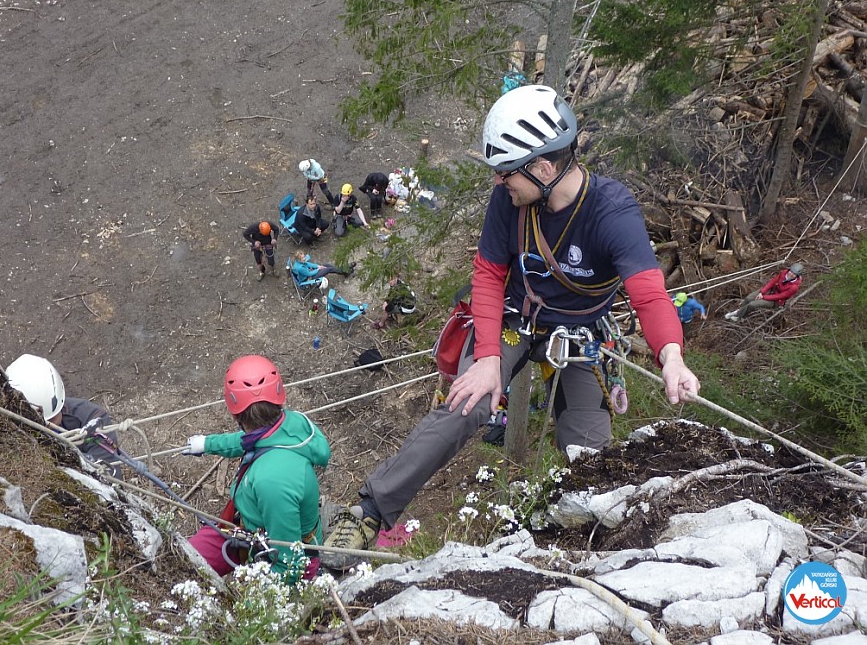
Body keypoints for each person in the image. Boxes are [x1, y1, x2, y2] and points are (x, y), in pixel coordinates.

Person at [321, 84, 700, 569]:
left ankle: (577, 550)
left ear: (544, 168)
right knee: (469, 401)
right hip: (516, 320)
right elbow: (488, 273)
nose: (499, 183)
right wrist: (488, 361)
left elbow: (648, 292)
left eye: (506, 173)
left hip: (580, 334)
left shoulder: (611, 212)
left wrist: (671, 356)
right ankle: (370, 512)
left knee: (590, 452)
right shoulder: (511, 201)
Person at [182, 355, 331, 583]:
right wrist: (208, 443)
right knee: (184, 561)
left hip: (275, 554)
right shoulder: (292, 425)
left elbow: (290, 564)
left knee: (187, 573)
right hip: (247, 528)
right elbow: (250, 440)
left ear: (234, 412)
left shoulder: (272, 482)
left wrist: (249, 602)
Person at [5, 353, 123, 478]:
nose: (49, 427)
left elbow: (110, 475)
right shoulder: (6, 432)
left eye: (53, 419)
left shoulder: (92, 418)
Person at [724, 263, 803, 322]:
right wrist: (762, 292)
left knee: (752, 304)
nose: (791, 274)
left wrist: (764, 297)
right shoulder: (784, 273)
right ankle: (741, 312)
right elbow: (772, 282)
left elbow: (780, 296)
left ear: (797, 276)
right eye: (791, 272)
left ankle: (739, 316)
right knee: (749, 298)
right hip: (771, 291)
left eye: (794, 274)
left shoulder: (794, 287)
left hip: (776, 301)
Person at [290, 251, 355, 282]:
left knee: (327, 265)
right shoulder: (300, 268)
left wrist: (318, 266)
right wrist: (318, 269)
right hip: (309, 278)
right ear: (298, 259)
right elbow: (308, 274)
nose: (304, 259)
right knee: (328, 269)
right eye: (302, 258)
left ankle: (345, 270)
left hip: (310, 272)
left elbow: (308, 264)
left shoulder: (300, 262)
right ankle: (345, 270)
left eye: (304, 257)